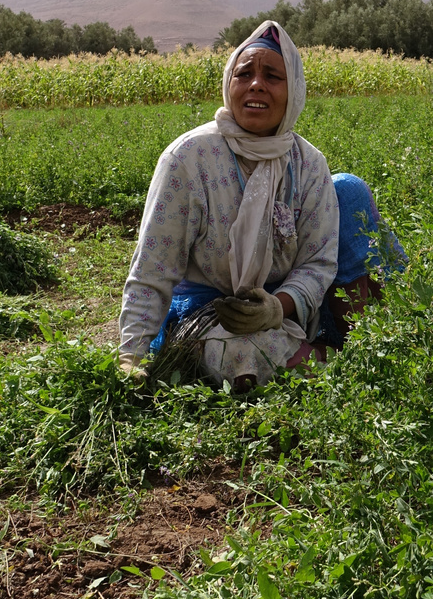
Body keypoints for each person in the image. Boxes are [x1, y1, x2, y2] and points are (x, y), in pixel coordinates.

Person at [118, 20, 404, 390]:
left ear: (294, 91)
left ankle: (366, 344)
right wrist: (131, 357)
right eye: (244, 74)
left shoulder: (307, 163)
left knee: (347, 190)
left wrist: (275, 308)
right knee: (240, 349)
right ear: (229, 84)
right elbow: (152, 269)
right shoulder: (189, 159)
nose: (256, 84)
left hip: (290, 306)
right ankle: (333, 361)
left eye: (272, 75)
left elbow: (318, 263)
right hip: (211, 313)